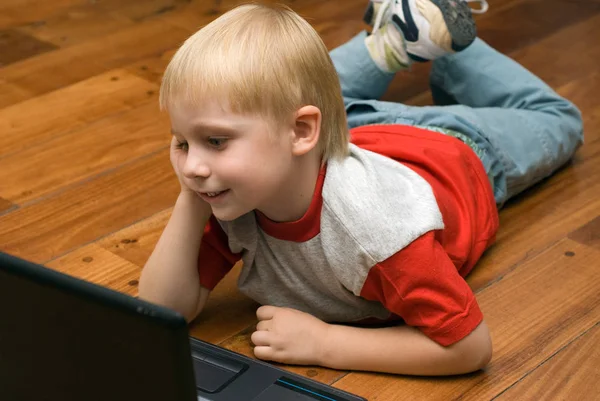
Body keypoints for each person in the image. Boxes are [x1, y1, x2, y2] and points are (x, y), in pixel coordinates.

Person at [138, 0, 583, 376]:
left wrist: (325, 343)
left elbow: (469, 347)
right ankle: (398, 40)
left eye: (215, 141)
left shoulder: (380, 237)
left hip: (455, 148)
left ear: (301, 133)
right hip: (350, 131)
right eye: (181, 141)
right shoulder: (237, 195)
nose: (193, 166)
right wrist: (190, 200)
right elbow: (165, 308)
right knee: (270, 94)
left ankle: (447, 46)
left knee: (559, 120)